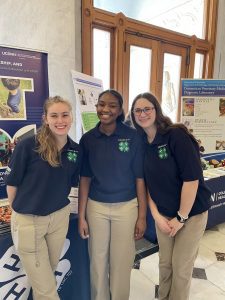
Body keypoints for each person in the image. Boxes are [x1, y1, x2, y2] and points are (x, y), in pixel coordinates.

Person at [131, 92, 211, 300]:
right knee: (165, 264)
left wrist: (181, 218)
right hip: (163, 215)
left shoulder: (176, 136)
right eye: (137, 110)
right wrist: (156, 215)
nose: (142, 113)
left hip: (191, 214)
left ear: (156, 109)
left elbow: (191, 180)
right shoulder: (141, 142)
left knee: (181, 267)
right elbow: (148, 184)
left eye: (147, 108)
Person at [5, 96, 81, 300]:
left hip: (59, 218)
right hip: (30, 221)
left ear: (71, 117)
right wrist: (21, 213)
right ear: (45, 119)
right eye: (54, 115)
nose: (60, 120)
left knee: (47, 277)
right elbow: (12, 184)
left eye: (65, 115)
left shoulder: (74, 149)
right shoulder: (29, 146)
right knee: (47, 289)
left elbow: (72, 183)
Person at [78, 89, 147, 300]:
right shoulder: (88, 139)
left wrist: (142, 216)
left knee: (121, 261)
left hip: (126, 207)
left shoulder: (133, 137)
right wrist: (81, 216)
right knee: (97, 262)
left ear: (119, 111)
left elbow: (140, 179)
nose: (105, 109)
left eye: (111, 106)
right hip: (96, 207)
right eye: (101, 104)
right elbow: (85, 179)